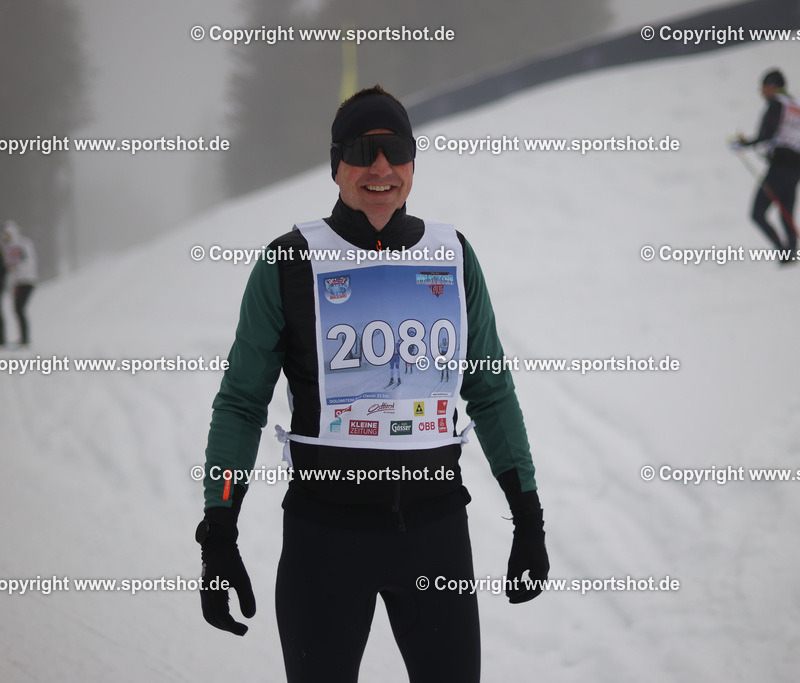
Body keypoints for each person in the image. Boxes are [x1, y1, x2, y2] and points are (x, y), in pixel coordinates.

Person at [196, 84, 548, 683]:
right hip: (325, 541)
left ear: (412, 161)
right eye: (362, 149)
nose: (380, 167)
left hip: (436, 538)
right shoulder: (291, 262)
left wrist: (529, 514)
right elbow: (241, 403)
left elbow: (489, 390)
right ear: (337, 166)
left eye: (395, 149)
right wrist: (218, 530)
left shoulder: (453, 255)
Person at [733, 69, 800, 265]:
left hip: (779, 165)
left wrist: (743, 144)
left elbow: (766, 134)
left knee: (757, 213)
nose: (761, 92)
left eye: (764, 87)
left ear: (773, 86)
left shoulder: (777, 104)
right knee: (787, 212)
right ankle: (791, 253)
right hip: (796, 166)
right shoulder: (797, 106)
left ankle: (784, 252)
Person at [2, 220, 38, 345]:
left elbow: (25, 263)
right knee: (18, 309)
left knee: (19, 309)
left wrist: (18, 273)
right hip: (21, 282)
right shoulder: (10, 248)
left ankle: (25, 338)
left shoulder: (21, 245)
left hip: (26, 280)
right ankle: (23, 337)